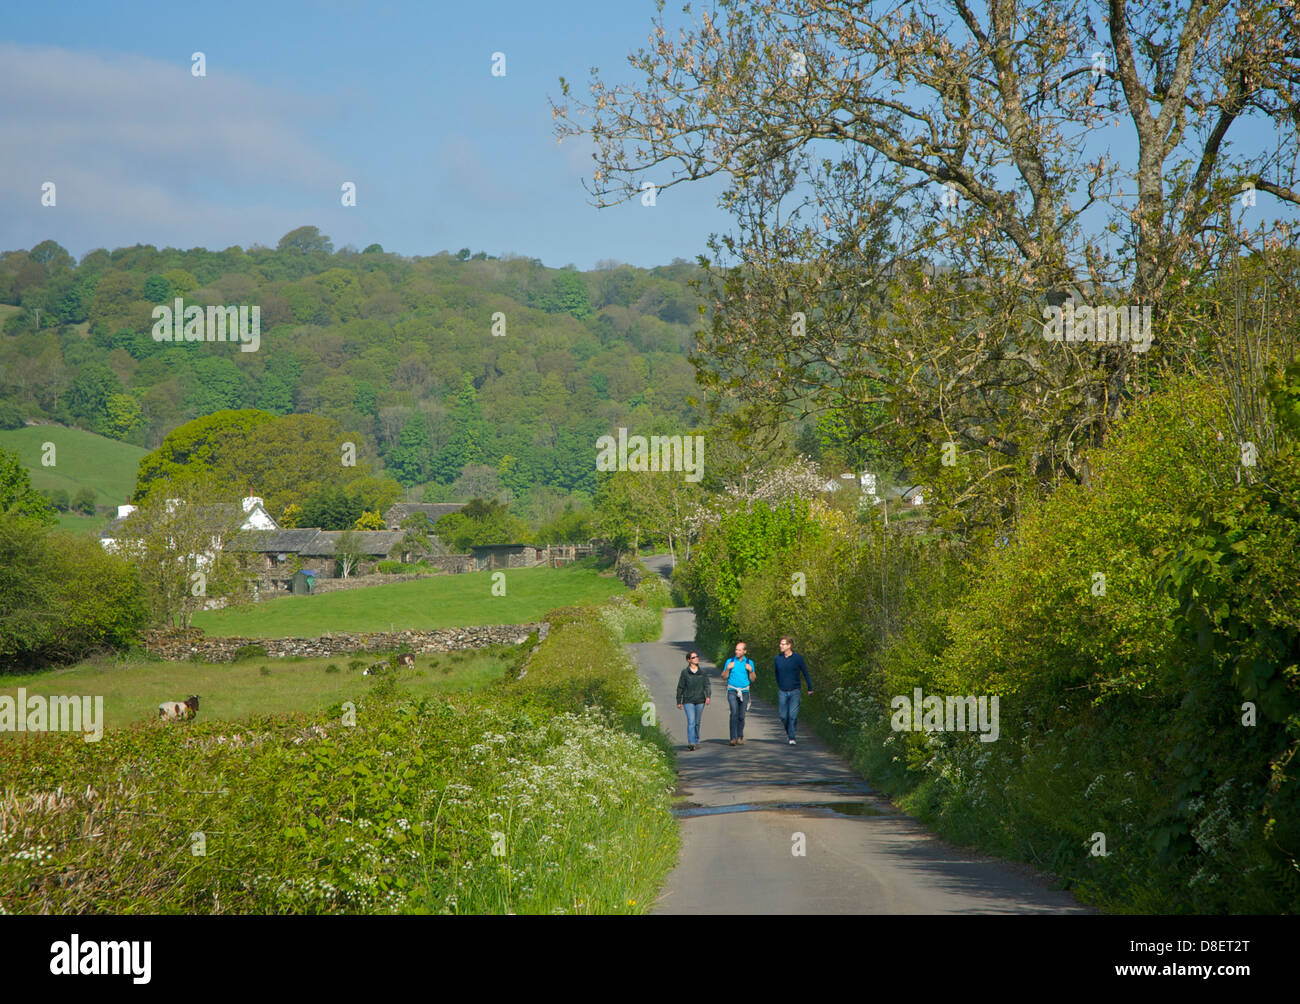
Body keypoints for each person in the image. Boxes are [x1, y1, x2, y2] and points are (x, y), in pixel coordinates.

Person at [774, 636, 813, 745]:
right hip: (782, 691)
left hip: (795, 690)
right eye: (780, 644)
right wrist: (780, 685)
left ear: (789, 645)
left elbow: (805, 673)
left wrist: (810, 687)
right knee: (783, 716)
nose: (780, 646)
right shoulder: (777, 658)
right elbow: (776, 674)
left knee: (792, 715)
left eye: (783, 644)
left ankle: (792, 737)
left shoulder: (798, 658)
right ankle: (789, 732)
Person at [675, 650, 711, 751]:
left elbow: (707, 685)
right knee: (691, 721)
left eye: (697, 657)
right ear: (688, 660)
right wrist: (679, 701)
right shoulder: (685, 673)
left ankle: (696, 740)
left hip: (700, 700)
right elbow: (680, 687)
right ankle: (691, 742)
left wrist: (708, 696)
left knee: (697, 722)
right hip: (688, 700)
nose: (696, 659)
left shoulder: (702, 672)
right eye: (693, 657)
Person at [721, 641, 755, 746]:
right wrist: (727, 669)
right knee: (734, 712)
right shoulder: (730, 661)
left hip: (744, 691)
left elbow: (753, 679)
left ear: (744, 651)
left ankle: (740, 736)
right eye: (736, 649)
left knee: (741, 715)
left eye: (739, 650)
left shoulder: (749, 662)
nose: (737, 651)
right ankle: (733, 738)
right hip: (732, 690)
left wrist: (750, 671)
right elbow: (723, 677)